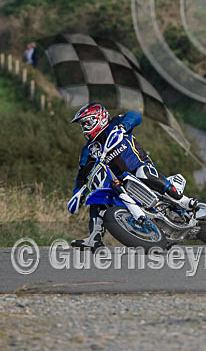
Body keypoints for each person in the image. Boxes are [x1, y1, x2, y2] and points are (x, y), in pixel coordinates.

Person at [66, 102, 197, 249]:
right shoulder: (88, 150)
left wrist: (123, 127)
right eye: (82, 125)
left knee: (143, 173)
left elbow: (135, 116)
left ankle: (183, 201)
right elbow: (82, 175)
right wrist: (77, 195)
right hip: (118, 182)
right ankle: (94, 238)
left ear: (100, 118)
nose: (84, 128)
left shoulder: (115, 124)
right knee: (97, 197)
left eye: (87, 123)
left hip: (139, 167)